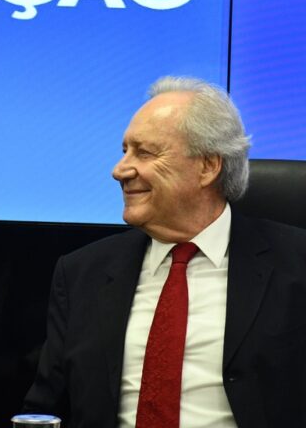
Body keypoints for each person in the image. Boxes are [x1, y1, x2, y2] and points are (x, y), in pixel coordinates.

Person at [23, 77, 306, 427]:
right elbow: (44, 410)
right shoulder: (82, 272)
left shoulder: (296, 264)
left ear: (208, 166)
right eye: (124, 151)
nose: (120, 170)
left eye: (144, 153)